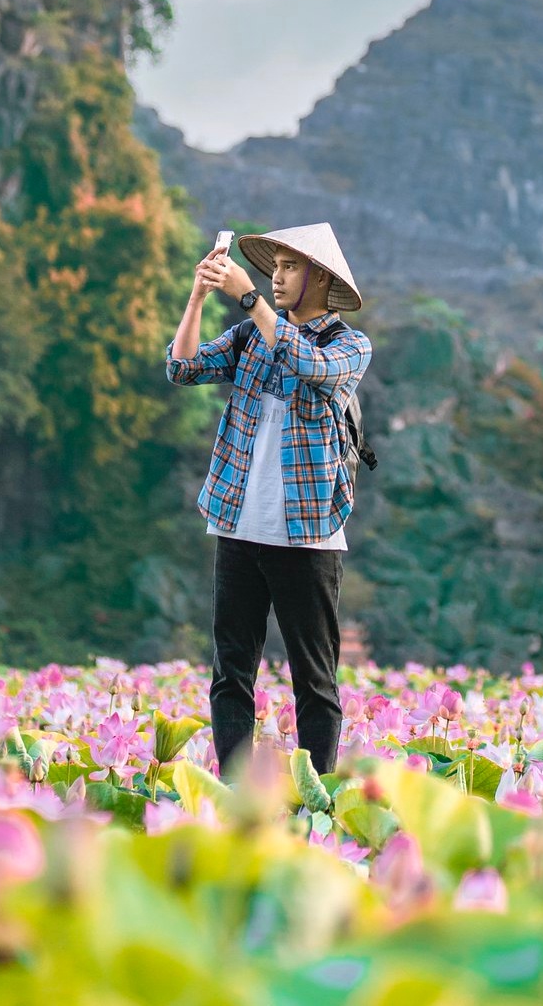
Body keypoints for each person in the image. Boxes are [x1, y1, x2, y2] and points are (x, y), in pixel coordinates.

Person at [165, 223, 372, 778]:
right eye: (272, 268)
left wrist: (250, 298)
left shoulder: (350, 346)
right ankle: (234, 794)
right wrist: (198, 296)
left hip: (307, 536)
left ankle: (318, 795)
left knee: (314, 677)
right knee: (231, 671)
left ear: (319, 279)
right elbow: (182, 368)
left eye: (288, 268)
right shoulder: (249, 336)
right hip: (236, 526)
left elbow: (311, 365)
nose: (275, 278)